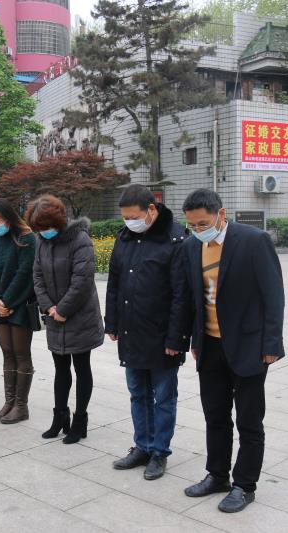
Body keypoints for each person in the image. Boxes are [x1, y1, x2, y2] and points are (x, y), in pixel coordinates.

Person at [180, 189, 284, 513]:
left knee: (249, 420)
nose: (198, 230)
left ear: (221, 215)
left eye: (203, 223)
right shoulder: (190, 248)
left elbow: (273, 296)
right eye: (192, 226)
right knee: (215, 416)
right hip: (210, 346)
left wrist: (271, 345)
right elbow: (194, 300)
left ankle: (244, 485)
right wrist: (195, 341)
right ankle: (217, 475)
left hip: (250, 347)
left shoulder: (253, 241)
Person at [105, 185, 190, 481]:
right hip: (131, 330)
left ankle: (159, 451)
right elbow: (114, 281)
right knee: (137, 393)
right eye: (125, 217)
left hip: (162, 335)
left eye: (134, 216)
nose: (129, 221)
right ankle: (142, 445)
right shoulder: (125, 236)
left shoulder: (176, 238)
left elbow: (182, 294)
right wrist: (112, 322)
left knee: (163, 397)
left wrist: (176, 338)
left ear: (151, 210)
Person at [27, 194, 104, 444]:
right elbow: (37, 276)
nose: (42, 232)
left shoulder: (79, 239)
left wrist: (63, 309)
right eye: (38, 228)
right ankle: (60, 417)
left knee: (82, 368)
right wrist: (49, 307)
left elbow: (82, 281)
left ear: (58, 221)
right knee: (60, 369)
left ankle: (80, 421)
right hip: (54, 316)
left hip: (79, 316)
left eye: (46, 227)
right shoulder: (41, 241)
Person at [0, 199, 38, 424]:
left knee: (21, 354)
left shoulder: (26, 238)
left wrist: (8, 301)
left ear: (9, 218)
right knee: (7, 353)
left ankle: (21, 406)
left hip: (20, 306)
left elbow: (25, 274)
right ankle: (9, 402)